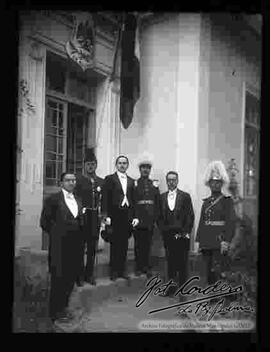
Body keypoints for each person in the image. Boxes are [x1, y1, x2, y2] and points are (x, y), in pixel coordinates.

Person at [40, 172, 84, 323]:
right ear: (61, 183)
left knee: (69, 280)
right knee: (58, 279)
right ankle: (54, 313)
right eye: (67, 180)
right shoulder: (53, 200)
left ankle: (64, 309)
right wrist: (58, 233)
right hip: (59, 248)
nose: (71, 182)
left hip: (75, 247)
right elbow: (44, 222)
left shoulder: (78, 200)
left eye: (73, 180)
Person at [195, 160, 236, 285]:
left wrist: (226, 240)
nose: (215, 184)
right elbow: (202, 222)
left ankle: (219, 295)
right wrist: (199, 241)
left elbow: (230, 222)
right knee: (208, 270)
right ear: (209, 183)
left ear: (221, 183)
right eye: (213, 182)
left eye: (218, 182)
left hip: (219, 240)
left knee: (218, 269)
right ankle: (212, 296)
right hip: (207, 240)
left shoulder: (226, 201)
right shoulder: (206, 202)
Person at [101, 155, 139, 281]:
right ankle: (114, 271)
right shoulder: (110, 179)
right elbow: (105, 198)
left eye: (124, 163)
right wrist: (106, 215)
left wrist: (135, 216)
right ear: (116, 165)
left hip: (126, 214)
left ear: (127, 165)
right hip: (114, 214)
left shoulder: (131, 181)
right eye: (120, 163)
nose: (122, 165)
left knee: (124, 244)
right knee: (114, 243)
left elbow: (134, 200)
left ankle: (122, 270)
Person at [159, 171, 194, 298]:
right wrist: (163, 230)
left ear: (177, 181)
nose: (171, 182)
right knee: (171, 263)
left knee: (183, 263)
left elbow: (190, 216)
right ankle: (171, 289)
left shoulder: (185, 196)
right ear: (166, 181)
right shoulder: (162, 197)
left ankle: (183, 289)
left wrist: (185, 233)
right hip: (168, 236)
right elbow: (159, 217)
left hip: (182, 235)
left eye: (174, 179)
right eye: (169, 180)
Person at [74, 148, 104, 285]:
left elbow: (104, 200)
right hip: (83, 216)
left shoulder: (101, 181)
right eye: (88, 164)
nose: (90, 166)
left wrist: (103, 215)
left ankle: (89, 275)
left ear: (96, 165)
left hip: (95, 217)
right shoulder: (78, 180)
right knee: (80, 247)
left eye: (93, 164)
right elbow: (75, 199)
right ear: (84, 165)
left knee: (92, 248)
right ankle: (79, 276)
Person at [133, 153, 160, 278]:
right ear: (140, 169)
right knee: (138, 244)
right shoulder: (134, 184)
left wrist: (155, 218)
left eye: (148, 167)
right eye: (143, 167)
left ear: (150, 170)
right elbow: (133, 202)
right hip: (138, 218)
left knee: (148, 244)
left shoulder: (154, 184)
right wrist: (134, 217)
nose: (145, 170)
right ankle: (138, 267)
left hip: (149, 218)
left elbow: (157, 202)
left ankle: (146, 267)